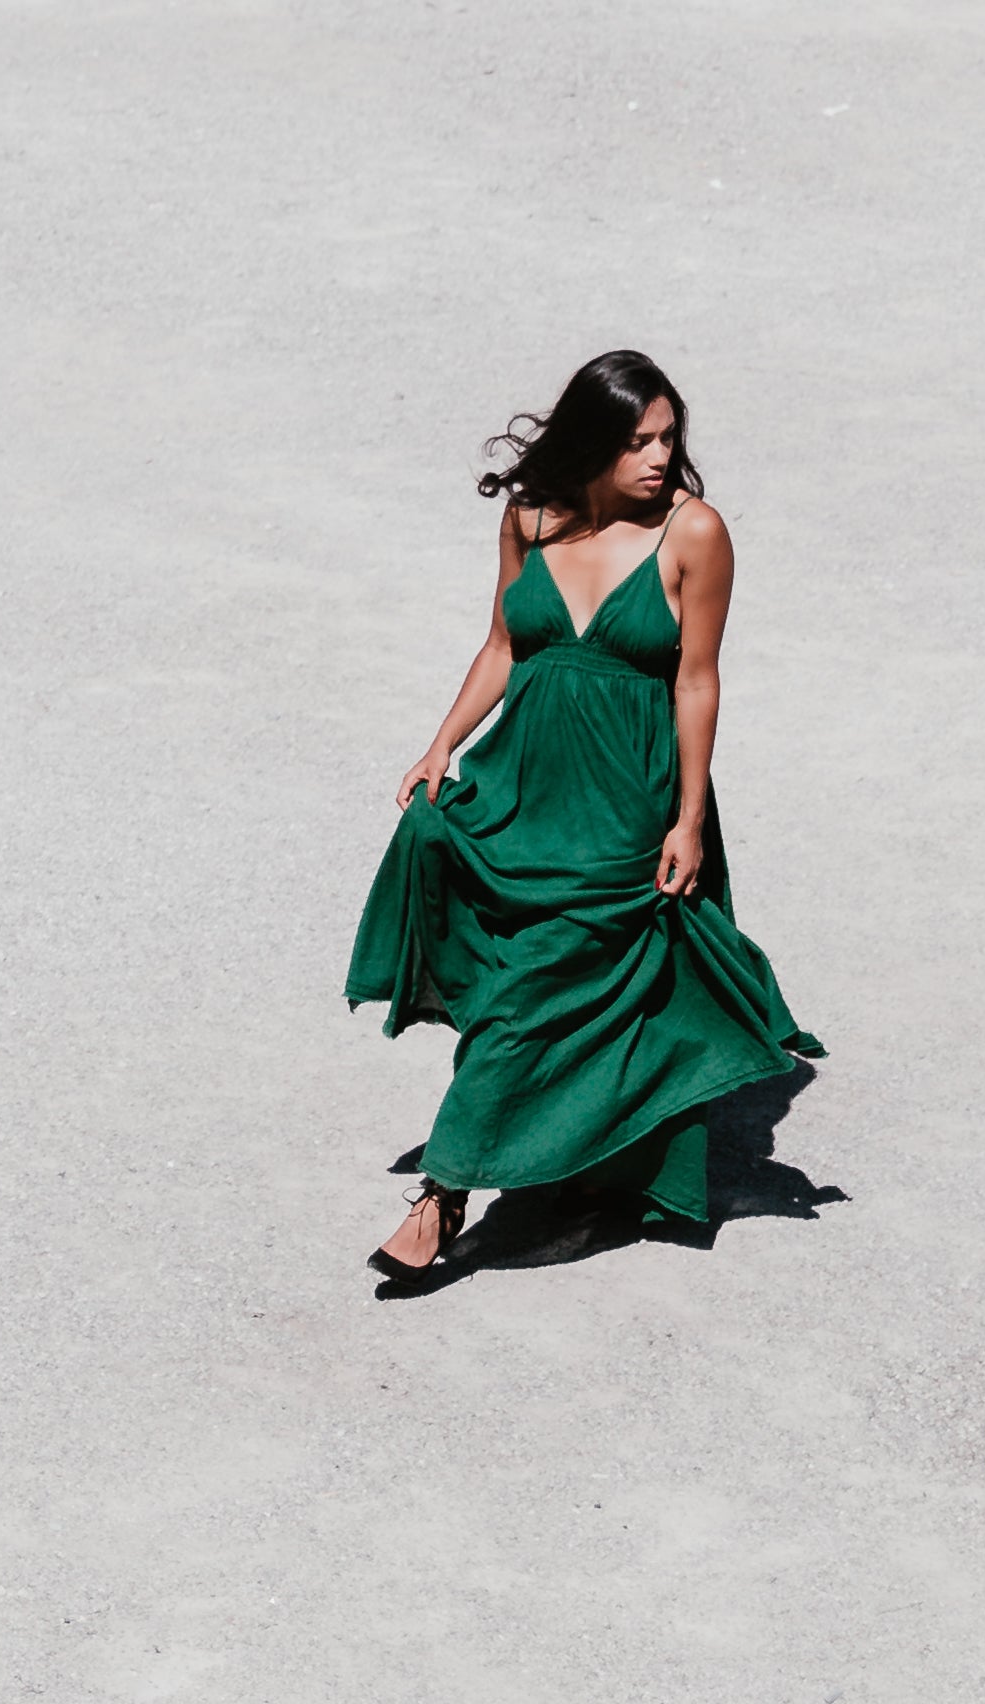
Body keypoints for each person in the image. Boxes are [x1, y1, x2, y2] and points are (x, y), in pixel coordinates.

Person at [348, 351, 822, 1283]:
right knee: (512, 976)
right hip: (527, 784)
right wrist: (442, 743)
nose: (659, 456)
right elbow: (502, 644)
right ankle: (569, 1152)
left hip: (628, 804)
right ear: (590, 444)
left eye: (667, 435)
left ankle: (443, 1195)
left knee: (539, 991)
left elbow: (697, 679)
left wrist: (686, 820)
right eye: (635, 441)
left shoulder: (696, 534)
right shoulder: (529, 518)